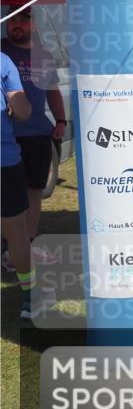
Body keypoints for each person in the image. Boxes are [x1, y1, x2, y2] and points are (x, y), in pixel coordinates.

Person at [1, 9, 67, 245]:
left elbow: (53, 91)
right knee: (7, 196)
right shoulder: (1, 51)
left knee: (34, 192)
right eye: (12, 19)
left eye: (22, 18)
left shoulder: (44, 56)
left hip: (38, 134)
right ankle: (7, 246)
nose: (16, 24)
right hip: (7, 137)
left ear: (35, 24)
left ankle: (28, 242)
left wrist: (61, 120)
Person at [1, 51, 42, 319]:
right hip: (4, 160)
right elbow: (24, 111)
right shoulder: (3, 61)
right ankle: (30, 300)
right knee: (17, 233)